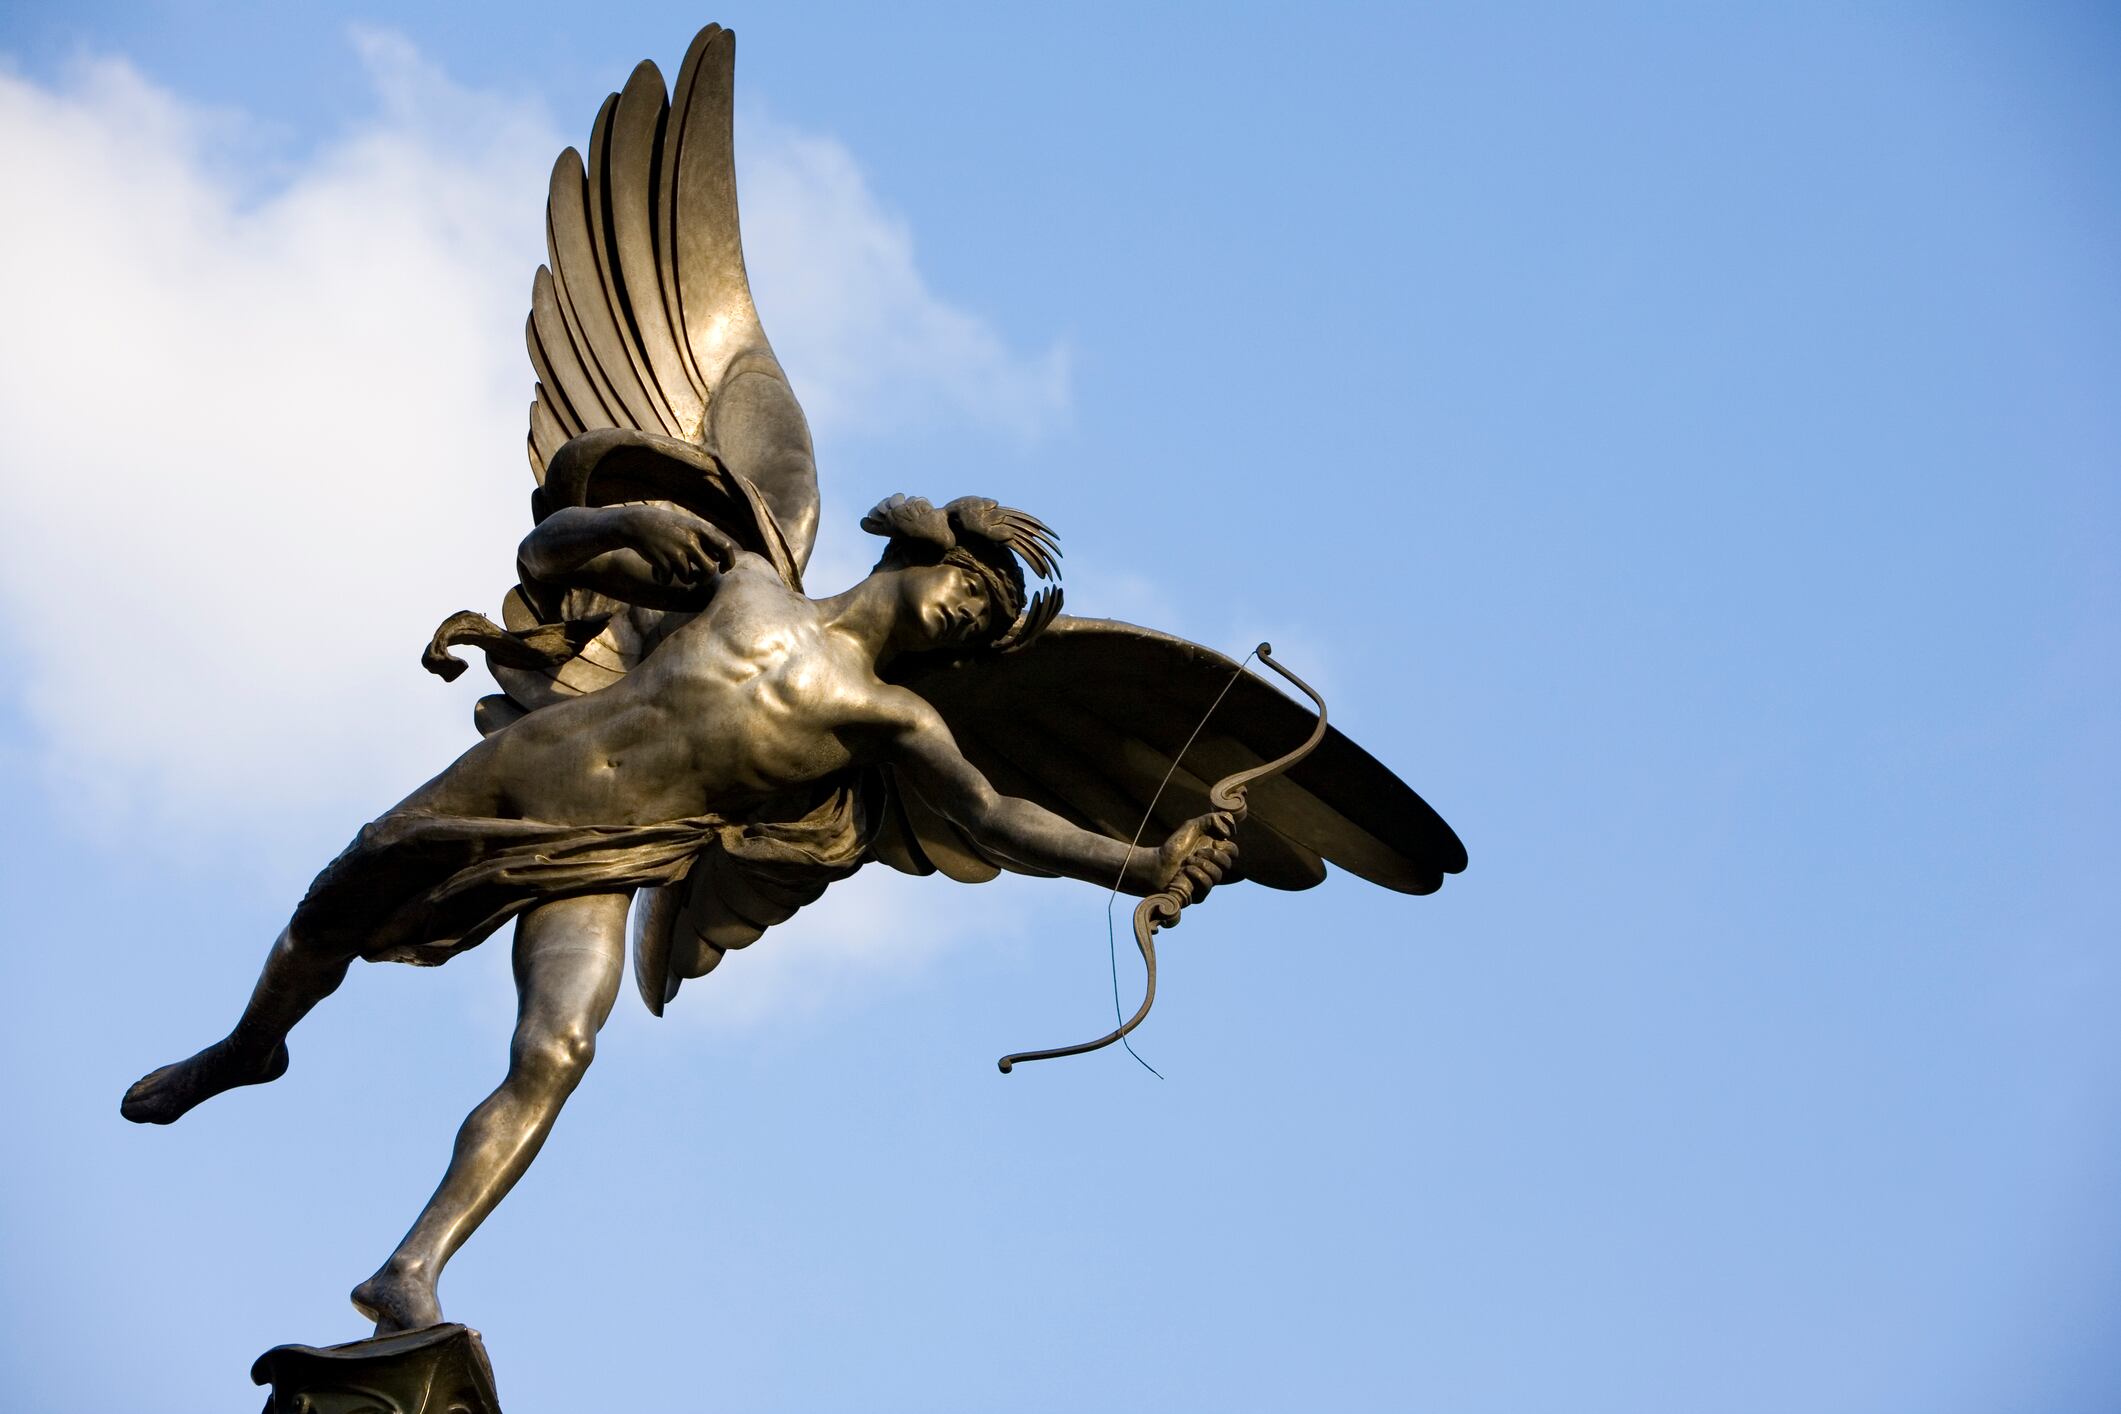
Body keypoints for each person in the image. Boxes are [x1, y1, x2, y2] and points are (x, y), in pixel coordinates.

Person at [120, 491, 1234, 1333]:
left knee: (557, 1049)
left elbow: (993, 815)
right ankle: (249, 1046)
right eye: (969, 591)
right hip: (517, 773)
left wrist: (1141, 861)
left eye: (981, 620)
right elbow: (545, 556)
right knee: (332, 908)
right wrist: (627, 519)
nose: (964, 618)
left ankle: (410, 1267)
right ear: (916, 552)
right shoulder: (742, 580)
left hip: (602, 858)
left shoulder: (887, 716)